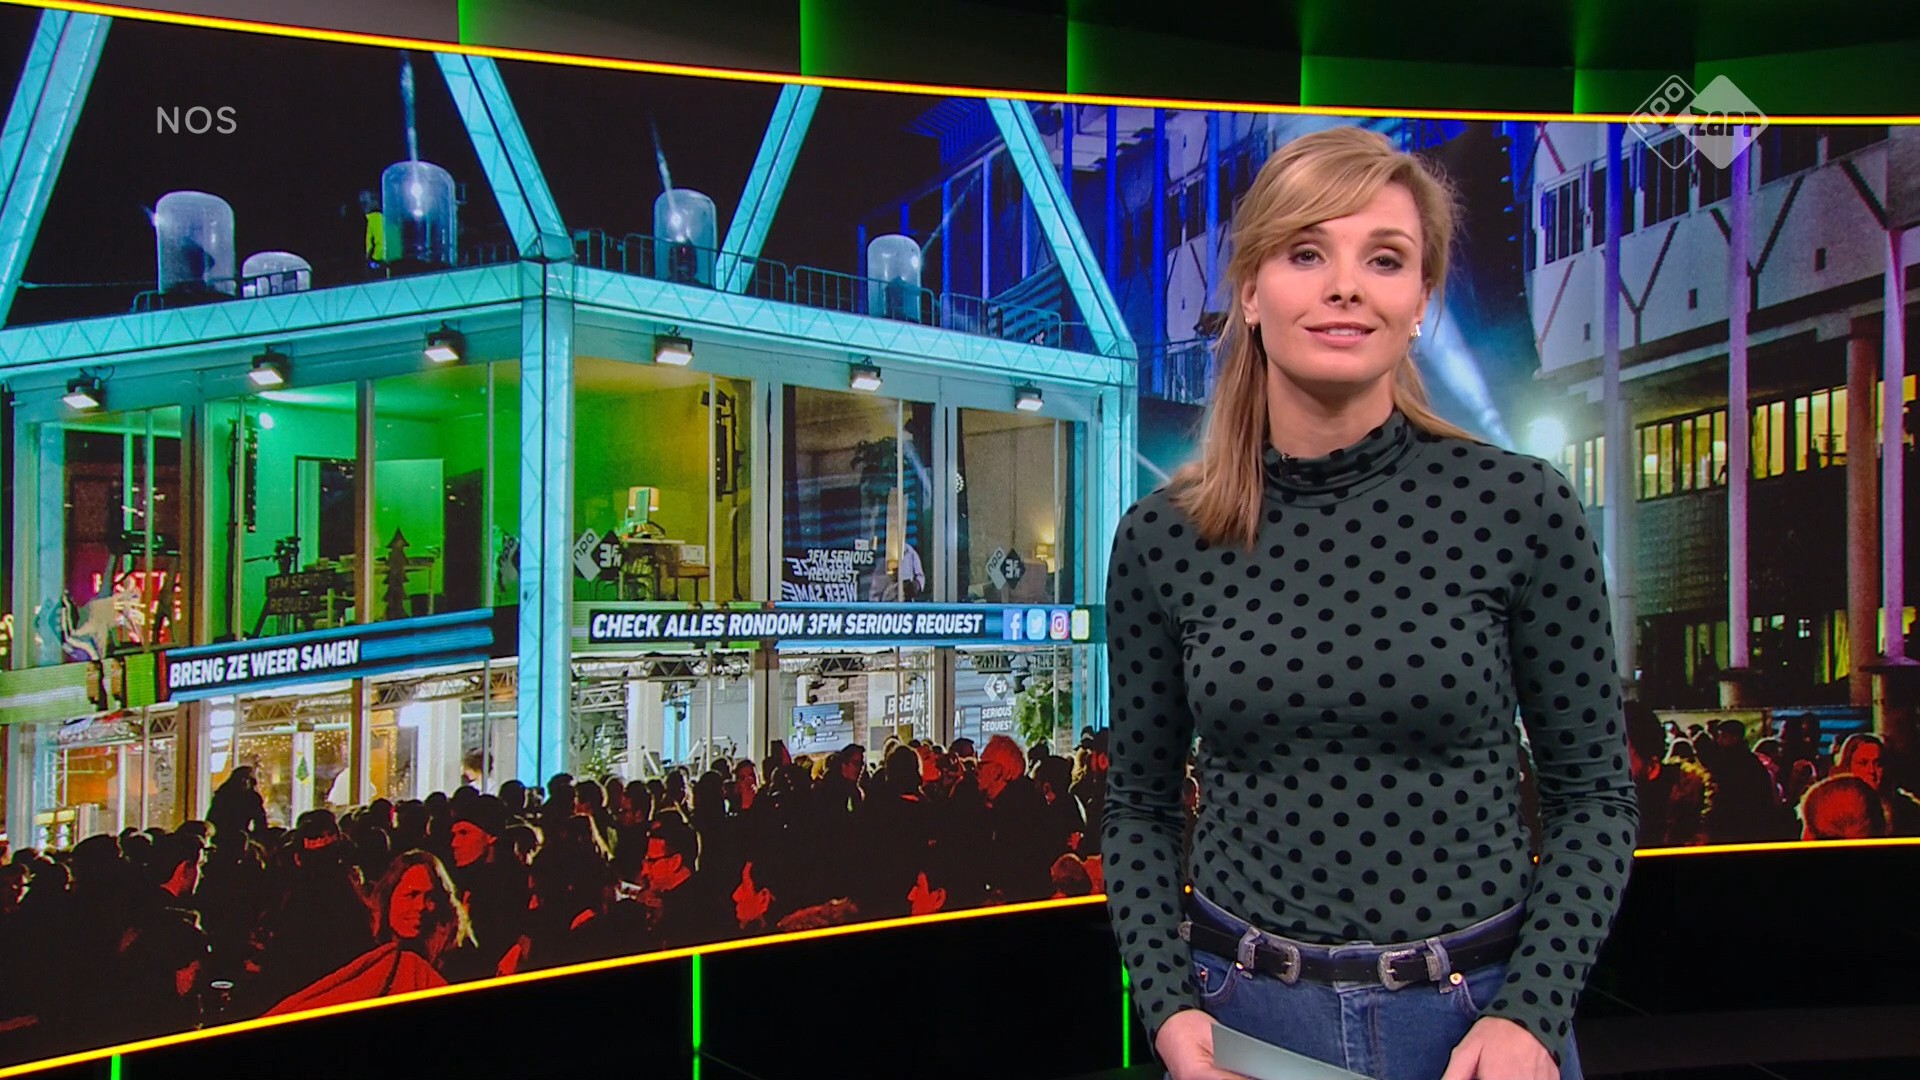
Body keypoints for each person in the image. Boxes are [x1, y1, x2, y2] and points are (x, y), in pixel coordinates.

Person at [1102, 126, 1638, 1080]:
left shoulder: (1520, 506)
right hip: (1248, 1022)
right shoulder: (1162, 538)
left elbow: (1594, 796)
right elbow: (1139, 809)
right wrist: (1169, 1012)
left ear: (1421, 300)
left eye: (1384, 259)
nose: (1346, 286)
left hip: (1479, 1024)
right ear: (1250, 291)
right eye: (1307, 253)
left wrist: (1531, 1013)